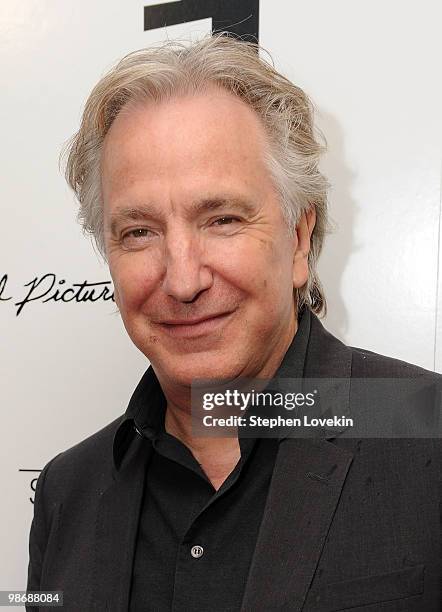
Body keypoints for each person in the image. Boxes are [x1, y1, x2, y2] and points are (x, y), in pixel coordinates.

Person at [27, 34, 440, 611]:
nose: (182, 279)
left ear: (298, 241)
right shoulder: (67, 491)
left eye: (221, 219)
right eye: (139, 232)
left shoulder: (429, 433)